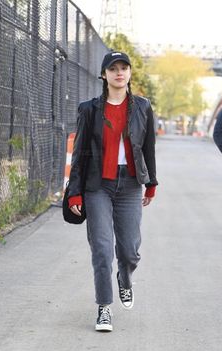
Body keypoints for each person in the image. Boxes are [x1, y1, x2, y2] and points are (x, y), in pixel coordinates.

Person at [68, 51, 158, 332]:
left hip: (131, 184)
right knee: (102, 250)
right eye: (113, 68)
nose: (119, 73)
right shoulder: (90, 109)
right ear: (104, 75)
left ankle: (125, 278)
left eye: (124, 68)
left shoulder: (143, 107)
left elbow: (148, 148)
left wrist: (151, 183)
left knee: (129, 250)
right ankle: (104, 308)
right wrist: (74, 192)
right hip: (98, 186)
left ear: (129, 74)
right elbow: (80, 152)